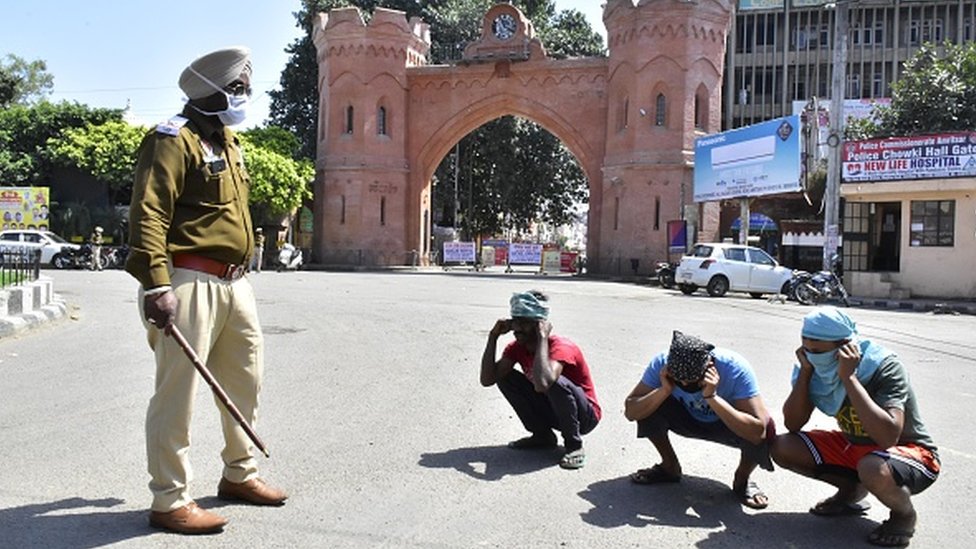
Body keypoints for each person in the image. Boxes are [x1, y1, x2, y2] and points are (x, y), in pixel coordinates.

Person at [125, 46, 286, 535]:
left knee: (245, 380)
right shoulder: (173, 140)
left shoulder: (229, 143)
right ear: (211, 92)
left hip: (235, 282)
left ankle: (240, 474)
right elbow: (149, 214)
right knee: (178, 394)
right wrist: (156, 286)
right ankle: (170, 499)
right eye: (238, 89)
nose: (245, 97)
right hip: (186, 280)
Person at [771, 307, 939, 547]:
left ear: (845, 347)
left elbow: (888, 436)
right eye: (806, 348)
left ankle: (904, 515)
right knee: (783, 446)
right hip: (858, 449)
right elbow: (793, 423)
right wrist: (806, 374)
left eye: (818, 351)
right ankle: (851, 492)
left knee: (872, 467)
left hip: (911, 453)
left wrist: (849, 378)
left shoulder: (883, 366)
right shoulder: (811, 368)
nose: (810, 356)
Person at [624, 330, 774, 509]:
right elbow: (631, 411)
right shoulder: (661, 364)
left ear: (710, 367)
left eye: (693, 380)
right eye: (679, 381)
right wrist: (664, 390)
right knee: (647, 405)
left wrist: (712, 397)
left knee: (767, 425)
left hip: (726, 424)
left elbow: (758, 432)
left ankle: (741, 481)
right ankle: (669, 466)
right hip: (686, 418)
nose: (686, 385)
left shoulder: (735, 368)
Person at [480, 290, 601, 469]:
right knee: (505, 377)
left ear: (539, 325)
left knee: (553, 381)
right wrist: (493, 337)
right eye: (516, 321)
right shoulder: (516, 348)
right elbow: (488, 379)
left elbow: (544, 383)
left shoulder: (561, 347)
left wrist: (542, 338)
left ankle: (574, 446)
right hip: (553, 408)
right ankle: (542, 436)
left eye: (525, 323)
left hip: (584, 416)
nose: (518, 328)